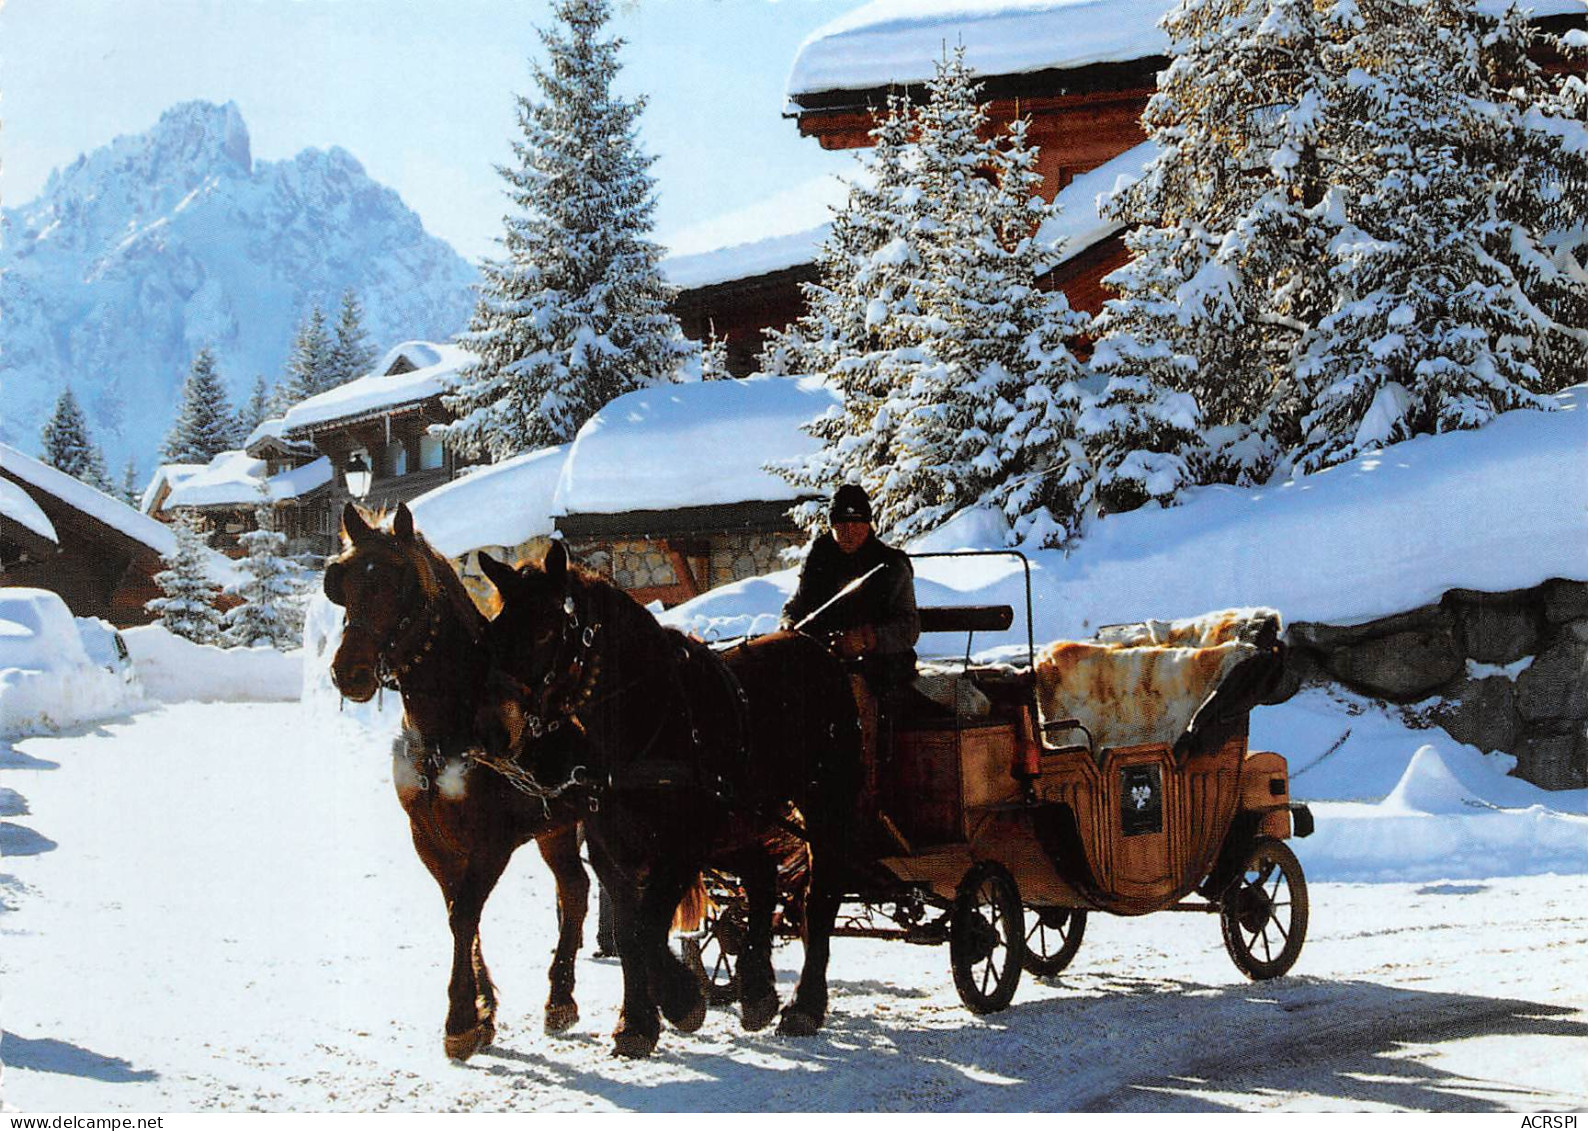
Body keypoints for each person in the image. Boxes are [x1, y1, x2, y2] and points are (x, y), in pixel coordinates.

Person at [781, 485, 920, 848]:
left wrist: (867, 639)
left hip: (879, 672)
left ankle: (859, 802)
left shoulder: (890, 565)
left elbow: (908, 629)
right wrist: (787, 623)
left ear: (870, 525)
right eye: (841, 524)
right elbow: (798, 605)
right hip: (819, 665)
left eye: (856, 524)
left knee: (851, 702)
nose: (848, 532)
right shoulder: (819, 558)